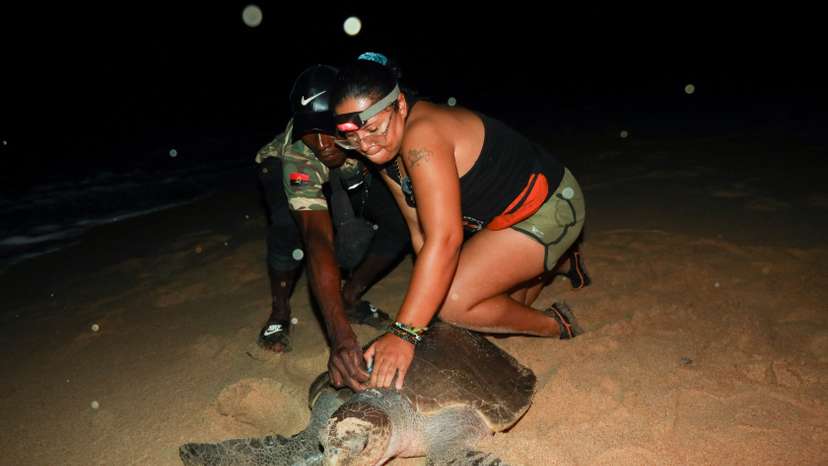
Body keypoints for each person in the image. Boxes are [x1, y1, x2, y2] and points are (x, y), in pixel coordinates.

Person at [330, 53, 589, 390]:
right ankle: (558, 263)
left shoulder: (422, 136)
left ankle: (556, 324)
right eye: (351, 138)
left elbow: (446, 240)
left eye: (374, 128)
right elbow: (420, 233)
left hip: (550, 208)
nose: (364, 145)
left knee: (455, 302)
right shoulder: (385, 151)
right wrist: (422, 316)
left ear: (401, 106)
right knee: (488, 312)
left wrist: (405, 332)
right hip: (498, 223)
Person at [254, 64, 410, 360]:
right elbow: (316, 237)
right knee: (289, 228)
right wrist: (339, 335)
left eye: (327, 129)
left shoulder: (369, 126)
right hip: (281, 167)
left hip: (353, 161)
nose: (323, 144)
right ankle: (280, 312)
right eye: (311, 132)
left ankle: (349, 296)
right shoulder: (301, 150)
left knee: (399, 219)